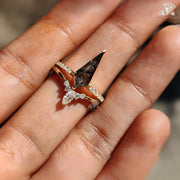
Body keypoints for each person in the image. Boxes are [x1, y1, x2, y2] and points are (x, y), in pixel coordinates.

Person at [0, 0, 179, 179]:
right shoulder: (76, 89)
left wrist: (90, 97)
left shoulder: (78, 90)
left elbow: (78, 85)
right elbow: (70, 78)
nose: (65, 100)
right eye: (67, 99)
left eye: (67, 98)